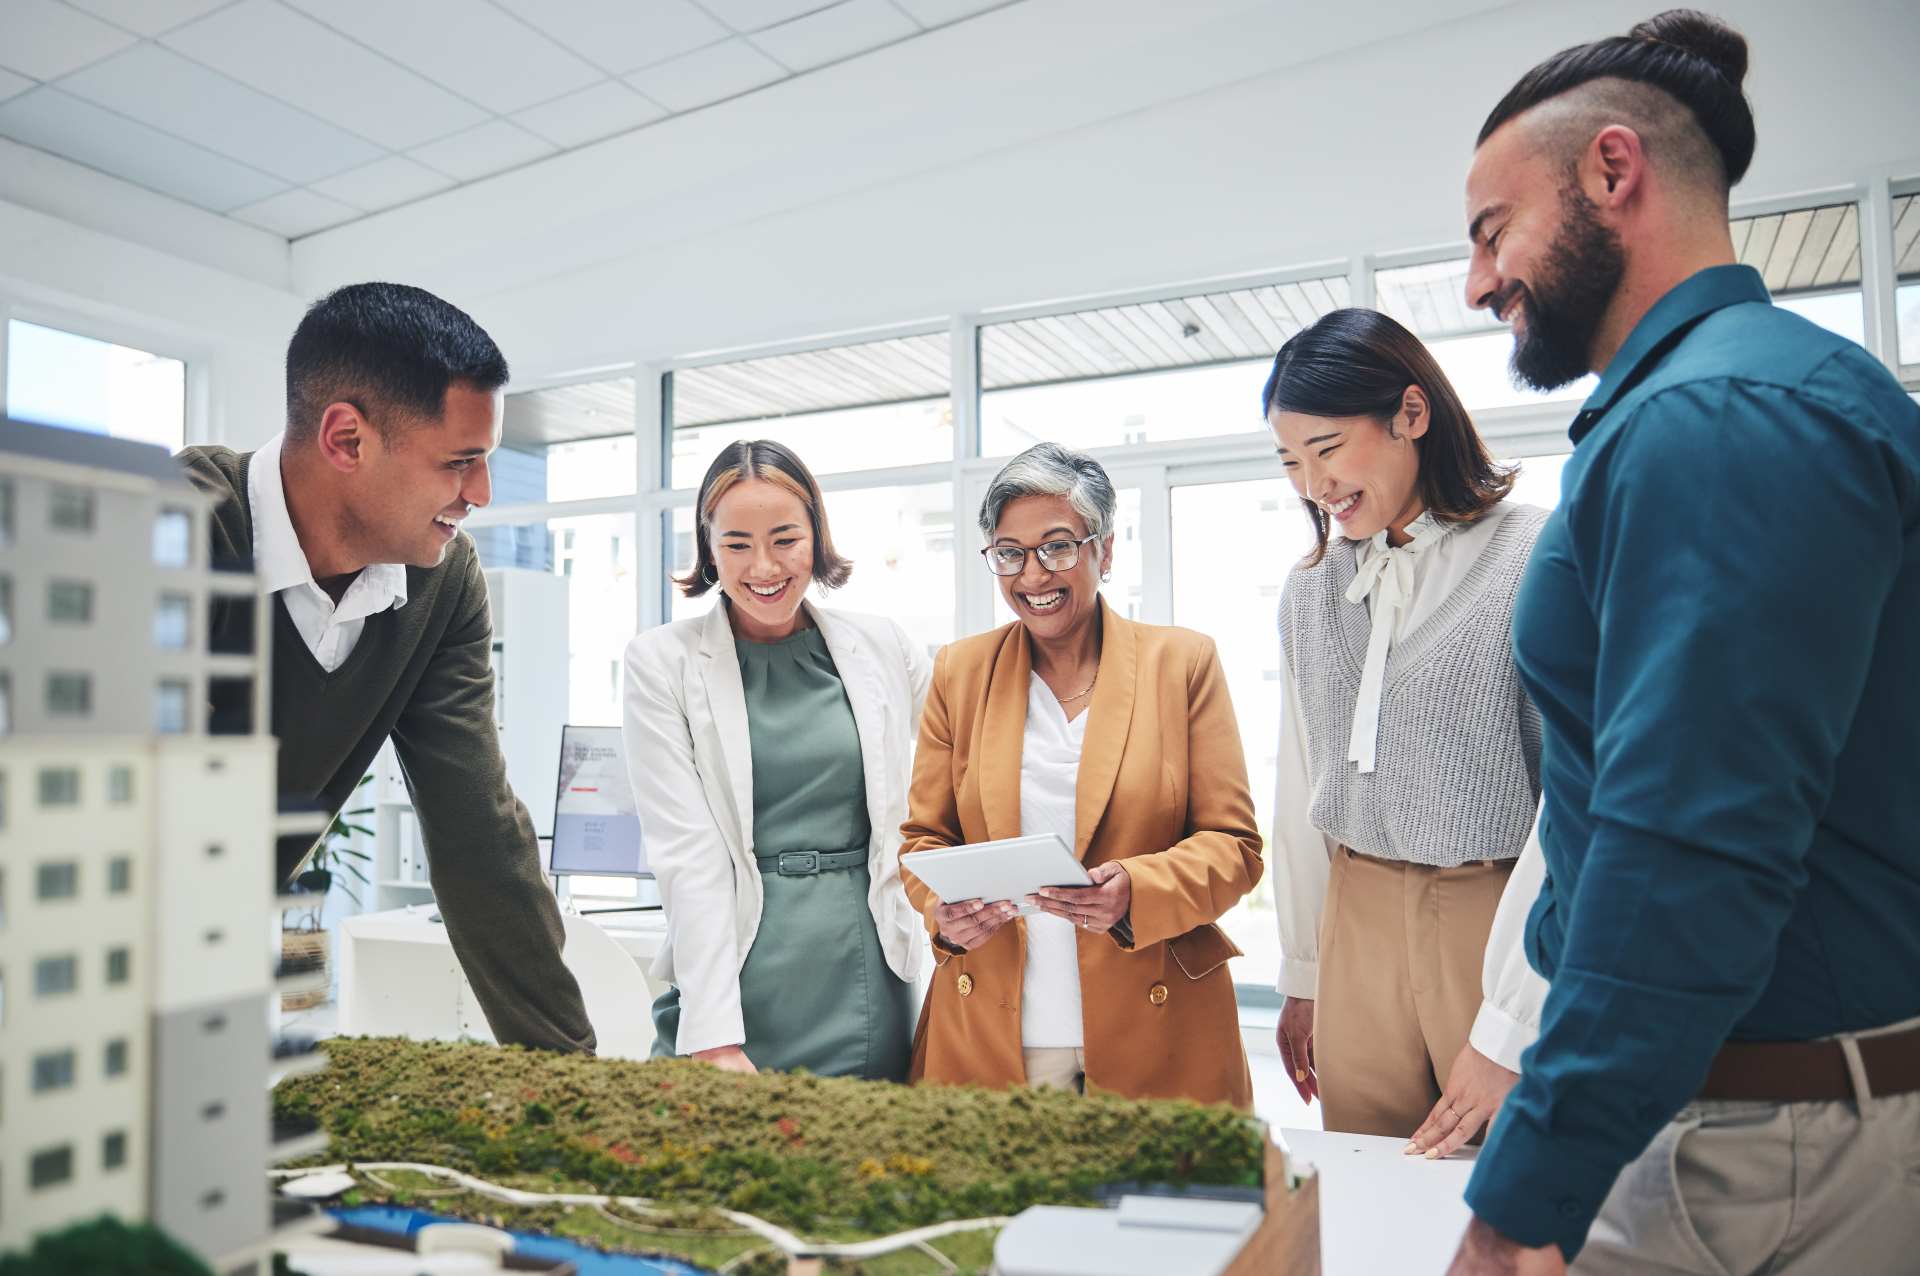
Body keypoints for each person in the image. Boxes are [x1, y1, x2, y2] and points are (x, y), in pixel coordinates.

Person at [1449, 11, 1920, 1274]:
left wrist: (1524, 1196)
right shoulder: (1720, 400)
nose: (1479, 282)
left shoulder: (1718, 418)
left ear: (1614, 172)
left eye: (1494, 230)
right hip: (1747, 1108)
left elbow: (1686, 848)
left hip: (1763, 1144)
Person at [181, 282, 592, 1053]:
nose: (481, 493)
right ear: (346, 440)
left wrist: (569, 1078)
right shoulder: (178, 528)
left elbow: (479, 835)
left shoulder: (441, 583)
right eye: (460, 461)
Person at [900, 442, 1262, 1106]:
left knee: (1161, 1208)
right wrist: (943, 916)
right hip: (994, 1031)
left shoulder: (1181, 664)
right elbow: (924, 842)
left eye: (1059, 546)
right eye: (1010, 553)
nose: (1034, 575)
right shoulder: (959, 671)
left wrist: (1138, 889)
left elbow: (1235, 848)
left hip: (1156, 1026)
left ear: (1106, 550)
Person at [1263, 308, 1551, 1144]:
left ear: (1412, 416)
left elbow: (1575, 797)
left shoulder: (1534, 555)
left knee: (1503, 1173)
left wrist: (1518, 1007)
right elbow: (1299, 783)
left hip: (1488, 913)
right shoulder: (1310, 590)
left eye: (1326, 449)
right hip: (1355, 915)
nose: (1313, 484)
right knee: (1368, 1174)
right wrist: (1305, 971)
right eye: (1290, 461)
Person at [621, 440, 928, 1078]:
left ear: (816, 536)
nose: (763, 565)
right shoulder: (661, 662)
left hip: (864, 966)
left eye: (785, 539)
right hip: (732, 968)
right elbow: (688, 854)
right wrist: (713, 1036)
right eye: (736, 544)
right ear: (708, 548)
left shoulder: (884, 646)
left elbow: (949, 791)